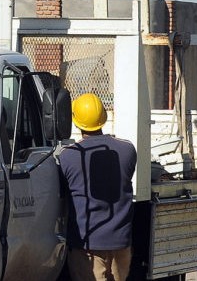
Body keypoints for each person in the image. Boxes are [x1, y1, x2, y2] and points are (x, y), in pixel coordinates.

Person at [58, 92, 136, 281]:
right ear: (104, 118)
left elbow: (62, 194)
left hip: (87, 245)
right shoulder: (127, 149)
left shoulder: (67, 156)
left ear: (75, 121)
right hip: (121, 243)